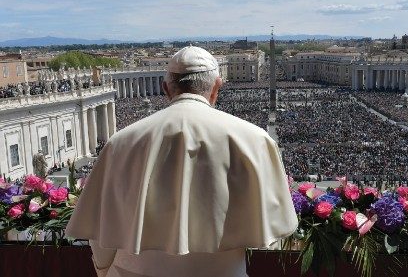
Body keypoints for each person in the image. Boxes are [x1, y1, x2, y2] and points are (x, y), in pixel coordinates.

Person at [65, 46, 298, 277]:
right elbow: (275, 232)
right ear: (217, 87)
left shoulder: (120, 143)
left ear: (166, 88)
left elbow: (100, 228)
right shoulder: (255, 140)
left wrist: (105, 271)